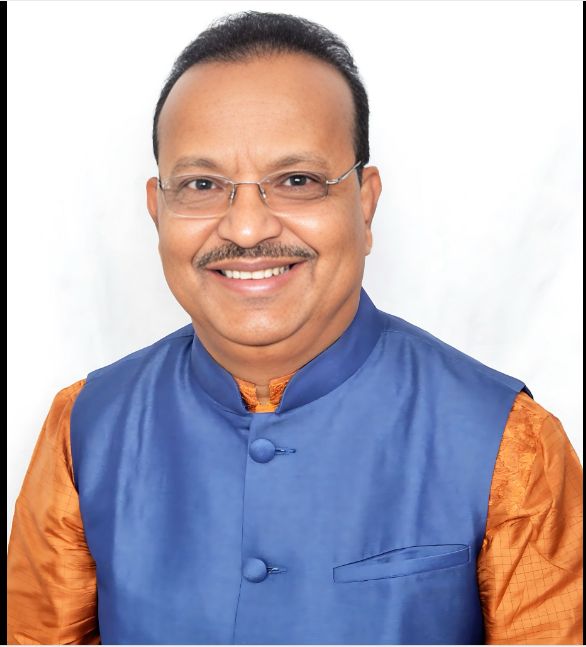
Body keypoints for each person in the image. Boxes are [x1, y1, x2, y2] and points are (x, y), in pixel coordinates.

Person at [7, 11, 582, 645]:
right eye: (202, 184)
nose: (246, 228)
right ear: (158, 209)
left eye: (297, 181)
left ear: (365, 204)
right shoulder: (85, 428)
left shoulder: (509, 442)